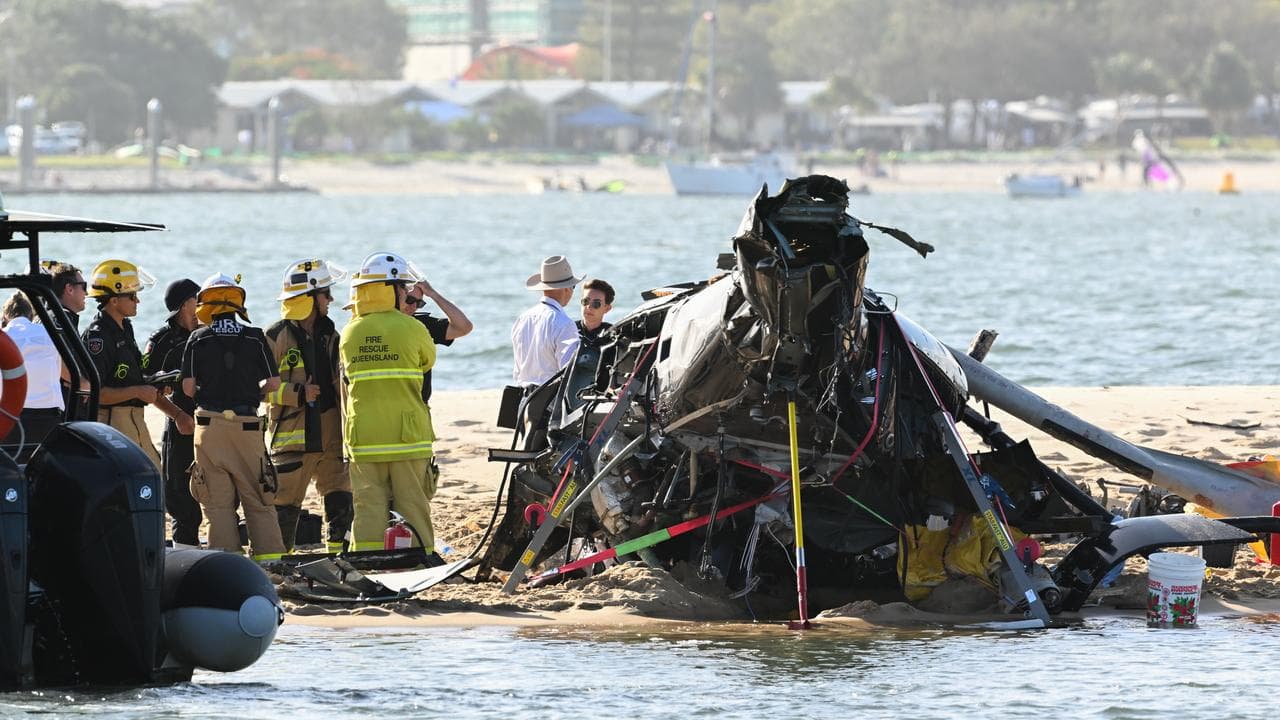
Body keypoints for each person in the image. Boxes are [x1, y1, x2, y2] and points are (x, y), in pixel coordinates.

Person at [180, 274, 284, 561]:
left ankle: (226, 560)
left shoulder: (197, 338)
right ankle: (270, 560)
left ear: (207, 306)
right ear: (237, 303)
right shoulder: (254, 336)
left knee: (217, 503)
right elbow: (273, 383)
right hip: (247, 426)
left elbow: (188, 388)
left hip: (209, 427)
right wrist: (256, 394)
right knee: (258, 497)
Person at [339, 252, 438, 554]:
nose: (406, 294)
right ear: (390, 289)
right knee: (413, 506)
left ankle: (367, 560)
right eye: (402, 288)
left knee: (367, 509)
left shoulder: (350, 332)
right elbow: (427, 360)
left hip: (365, 438)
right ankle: (419, 559)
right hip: (406, 437)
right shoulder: (413, 328)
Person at [265, 259, 352, 553]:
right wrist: (297, 394)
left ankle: (338, 555)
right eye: (326, 293)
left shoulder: (332, 334)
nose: (330, 299)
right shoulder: (274, 337)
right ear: (309, 297)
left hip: (331, 431)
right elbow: (256, 388)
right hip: (293, 435)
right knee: (285, 504)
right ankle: (278, 559)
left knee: (340, 496)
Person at [82, 259, 186, 471]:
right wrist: (138, 390)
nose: (137, 301)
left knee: (152, 475)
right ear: (113, 301)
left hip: (132, 421)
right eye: (132, 296)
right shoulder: (98, 338)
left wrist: (153, 385)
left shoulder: (124, 329)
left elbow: (130, 380)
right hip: (112, 425)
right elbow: (97, 393)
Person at [143, 279, 201, 546]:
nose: (200, 304)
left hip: (211, 425)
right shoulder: (161, 341)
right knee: (180, 498)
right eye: (196, 298)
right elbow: (148, 389)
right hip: (180, 426)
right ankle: (186, 552)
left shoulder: (208, 334)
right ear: (186, 304)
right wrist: (177, 415)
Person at [0, 292, 64, 453]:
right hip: (49, 417)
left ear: (5, 317)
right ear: (31, 315)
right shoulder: (49, 334)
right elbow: (57, 372)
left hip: (11, 418)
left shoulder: (4, 338)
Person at [511, 255, 581, 389]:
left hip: (523, 400)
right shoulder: (564, 324)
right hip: (548, 401)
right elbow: (569, 372)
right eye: (573, 287)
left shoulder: (522, 319)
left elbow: (518, 369)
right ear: (566, 288)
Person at [400, 277, 472, 405]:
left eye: (419, 303)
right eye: (410, 300)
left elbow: (464, 327)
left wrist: (433, 294)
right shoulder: (375, 325)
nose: (414, 307)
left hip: (418, 404)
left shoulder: (422, 325)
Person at [44, 261, 87, 331]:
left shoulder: (44, 316)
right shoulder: (61, 320)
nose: (86, 293)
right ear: (69, 289)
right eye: (84, 286)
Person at [576, 278, 614, 348]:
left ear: (607, 308)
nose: (589, 306)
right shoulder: (568, 330)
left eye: (596, 303)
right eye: (585, 301)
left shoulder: (613, 336)